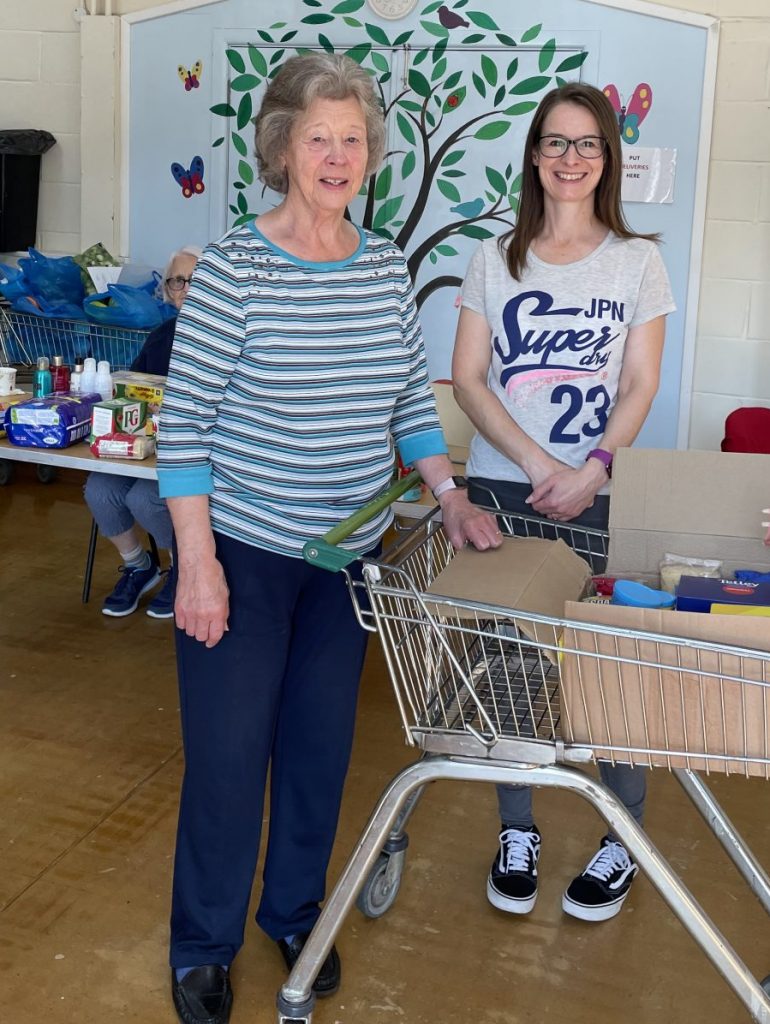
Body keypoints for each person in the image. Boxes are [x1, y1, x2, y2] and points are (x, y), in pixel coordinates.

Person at [156, 53, 501, 1024]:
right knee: (227, 759)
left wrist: (447, 490)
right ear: (280, 149)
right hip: (242, 559)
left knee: (316, 752)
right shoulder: (236, 266)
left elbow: (405, 401)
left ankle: (296, 911)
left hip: (344, 566)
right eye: (319, 138)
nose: (338, 156)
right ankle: (203, 944)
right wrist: (197, 567)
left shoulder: (384, 263)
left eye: (352, 139)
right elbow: (182, 432)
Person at [452, 82, 675, 924]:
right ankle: (520, 831)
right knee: (510, 666)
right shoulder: (495, 256)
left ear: (608, 157)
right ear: (535, 156)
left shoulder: (637, 259)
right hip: (505, 489)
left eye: (587, 144)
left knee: (606, 670)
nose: (571, 158)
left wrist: (592, 466)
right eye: (555, 142)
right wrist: (539, 460)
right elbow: (470, 378)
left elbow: (642, 380)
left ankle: (624, 836)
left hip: (600, 495)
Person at [84, 246, 201, 618]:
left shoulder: (227, 337)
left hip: (193, 453)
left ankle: (186, 568)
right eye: (177, 281)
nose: (185, 288)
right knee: (99, 490)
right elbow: (131, 388)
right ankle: (139, 564)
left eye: (194, 280)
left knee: (146, 499)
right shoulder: (162, 335)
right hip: (147, 444)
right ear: (168, 289)